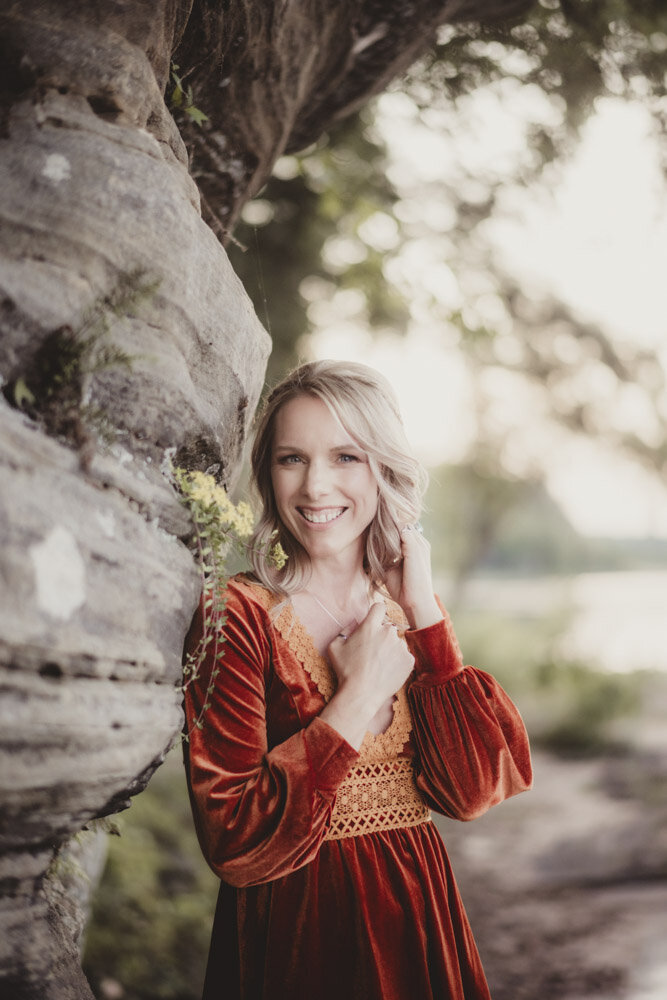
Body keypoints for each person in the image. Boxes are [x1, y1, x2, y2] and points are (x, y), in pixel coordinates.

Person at [183, 359, 532, 1000]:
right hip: (301, 932)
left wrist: (426, 614)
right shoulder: (237, 616)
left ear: (383, 469)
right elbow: (233, 838)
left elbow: (472, 790)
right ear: (267, 473)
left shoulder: (408, 612)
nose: (316, 486)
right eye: (292, 458)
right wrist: (360, 695)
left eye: (345, 456)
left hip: (422, 921)